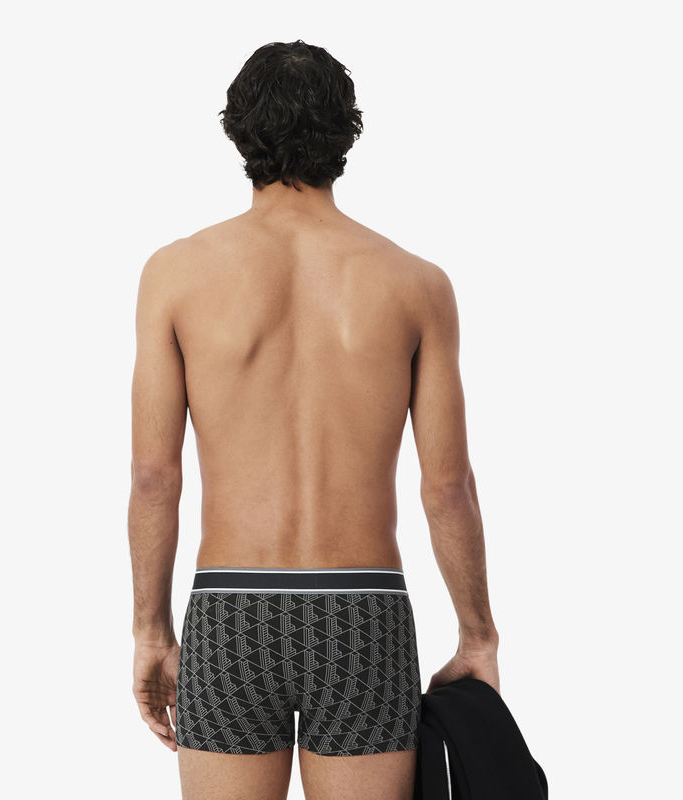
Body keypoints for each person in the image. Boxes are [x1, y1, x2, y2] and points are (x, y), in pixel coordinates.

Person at [128, 39, 499, 800]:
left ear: (238, 129)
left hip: (231, 612)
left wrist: (151, 629)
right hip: (365, 614)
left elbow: (154, 477)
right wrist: (477, 635)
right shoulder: (416, 284)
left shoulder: (176, 274)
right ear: (345, 132)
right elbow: (448, 487)